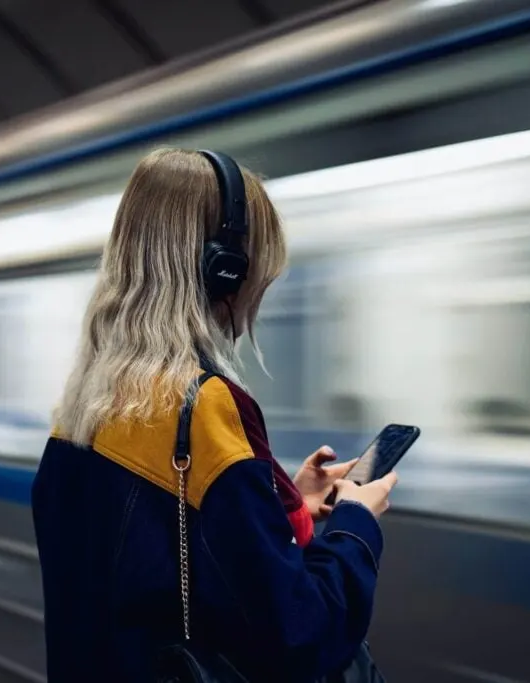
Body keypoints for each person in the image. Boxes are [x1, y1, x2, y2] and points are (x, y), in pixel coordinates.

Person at [31, 148, 398, 682]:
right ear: (224, 270)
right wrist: (356, 525)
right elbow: (300, 634)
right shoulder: (201, 409)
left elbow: (167, 562)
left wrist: (286, 502)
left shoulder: (81, 412)